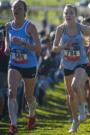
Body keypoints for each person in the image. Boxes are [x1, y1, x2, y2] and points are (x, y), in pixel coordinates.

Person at [51, 5, 90, 133]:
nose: (68, 15)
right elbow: (54, 48)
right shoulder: (60, 29)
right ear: (63, 15)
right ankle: (75, 121)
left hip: (80, 62)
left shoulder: (81, 27)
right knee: (71, 96)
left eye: (71, 13)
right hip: (67, 65)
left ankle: (83, 107)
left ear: (75, 15)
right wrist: (63, 46)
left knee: (75, 86)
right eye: (66, 13)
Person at [4, 0, 41, 134]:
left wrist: (23, 44)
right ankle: (13, 125)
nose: (17, 10)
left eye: (20, 8)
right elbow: (7, 38)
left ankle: (32, 115)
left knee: (28, 96)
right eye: (14, 7)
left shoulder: (30, 27)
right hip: (14, 64)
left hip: (29, 65)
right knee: (11, 92)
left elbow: (38, 49)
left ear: (25, 11)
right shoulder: (8, 25)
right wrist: (8, 47)